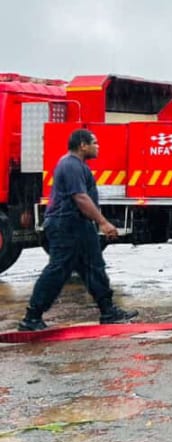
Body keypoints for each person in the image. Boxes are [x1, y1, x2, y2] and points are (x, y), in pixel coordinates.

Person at [17, 129, 138, 330]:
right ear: (83, 145)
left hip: (79, 225)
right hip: (66, 225)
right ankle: (32, 317)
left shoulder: (76, 165)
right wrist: (103, 222)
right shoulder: (70, 165)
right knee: (58, 270)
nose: (97, 147)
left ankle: (108, 312)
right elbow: (80, 198)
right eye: (95, 142)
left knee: (94, 267)